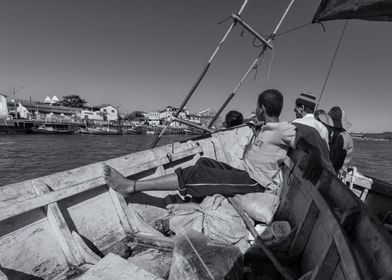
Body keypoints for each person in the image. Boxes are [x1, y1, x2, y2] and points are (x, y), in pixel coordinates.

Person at [104, 89, 323, 199]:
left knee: (194, 174)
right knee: (204, 162)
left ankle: (130, 186)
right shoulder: (265, 127)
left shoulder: (283, 129)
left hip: (254, 182)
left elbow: (307, 144)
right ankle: (193, 190)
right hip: (244, 172)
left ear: (263, 108)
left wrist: (314, 157)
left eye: (257, 106)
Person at [327, 106, 354, 177]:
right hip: (336, 170)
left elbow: (337, 164)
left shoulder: (343, 138)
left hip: (340, 173)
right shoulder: (339, 134)